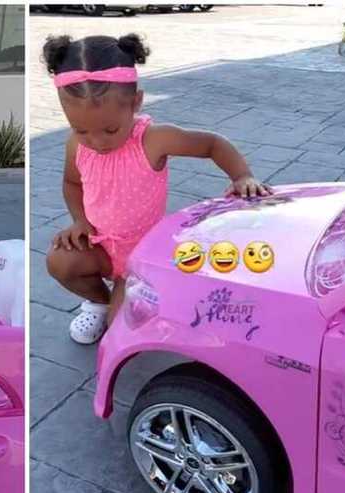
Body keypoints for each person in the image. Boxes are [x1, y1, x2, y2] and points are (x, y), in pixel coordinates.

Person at [43, 33, 271, 344]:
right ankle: (99, 300)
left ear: (135, 103)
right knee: (59, 260)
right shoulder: (76, 146)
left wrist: (242, 176)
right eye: (81, 129)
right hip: (101, 246)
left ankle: (128, 300)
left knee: (120, 330)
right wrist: (80, 221)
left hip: (145, 254)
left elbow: (212, 144)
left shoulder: (153, 139)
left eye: (110, 129)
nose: (96, 142)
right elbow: (71, 183)